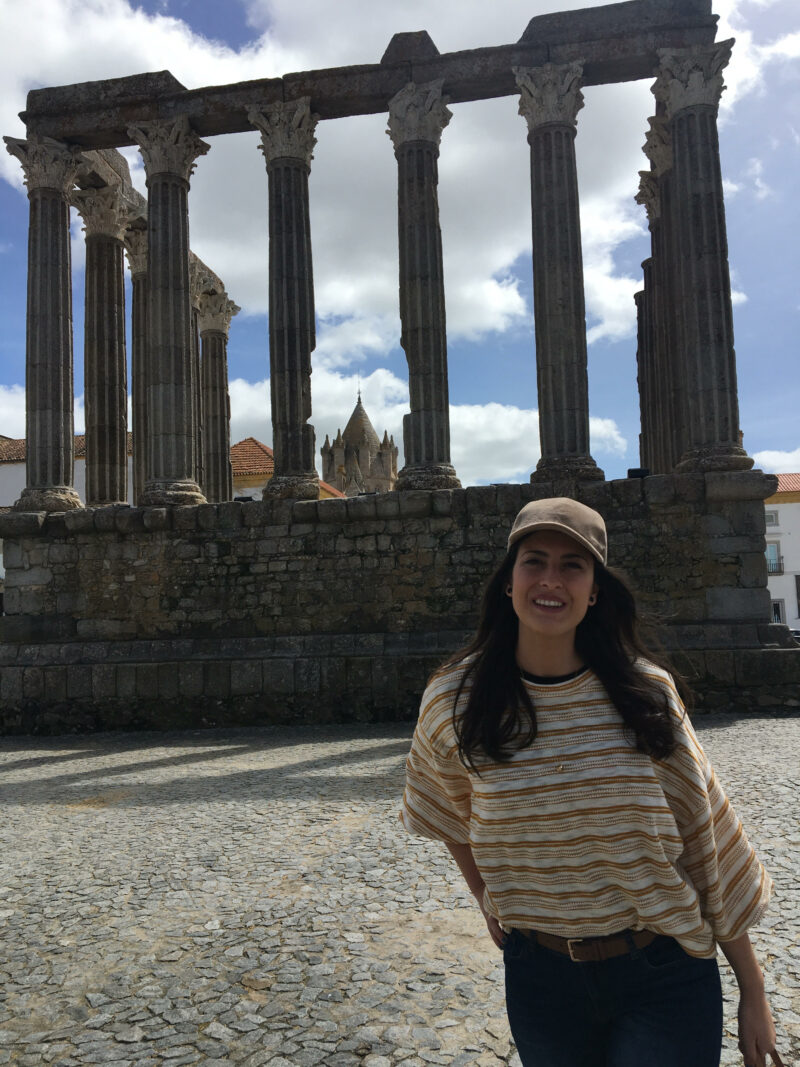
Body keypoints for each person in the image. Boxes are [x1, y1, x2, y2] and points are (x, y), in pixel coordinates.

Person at [401, 497, 782, 1067]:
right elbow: (446, 811)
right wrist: (484, 892)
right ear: (508, 581)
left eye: (572, 565)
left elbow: (707, 841)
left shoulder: (647, 696)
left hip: (664, 973)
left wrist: (752, 989)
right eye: (534, 561)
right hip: (540, 980)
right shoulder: (454, 703)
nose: (551, 580)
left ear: (595, 590)